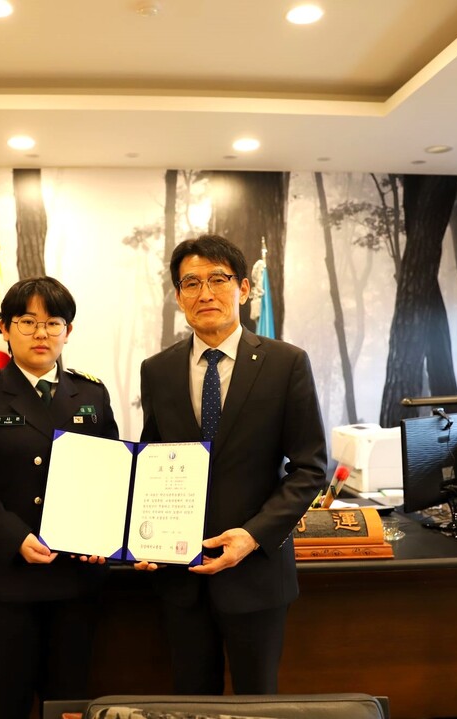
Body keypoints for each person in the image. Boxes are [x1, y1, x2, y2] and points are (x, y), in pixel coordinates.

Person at [137, 234, 327, 695]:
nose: (205, 293)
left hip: (256, 573)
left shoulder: (286, 363)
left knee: (257, 703)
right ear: (178, 296)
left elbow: (310, 468)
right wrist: (138, 535)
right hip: (179, 576)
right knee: (190, 702)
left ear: (243, 288)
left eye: (217, 280)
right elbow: (152, 460)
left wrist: (253, 535)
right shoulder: (157, 370)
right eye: (191, 283)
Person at [0, 276, 120, 719]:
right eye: (27, 321)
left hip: (74, 580)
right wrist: (15, 536)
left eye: (53, 322)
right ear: (5, 328)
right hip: (2, 577)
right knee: (7, 703)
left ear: (68, 331)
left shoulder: (91, 394)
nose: (41, 333)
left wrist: (104, 534)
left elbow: (111, 477)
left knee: (68, 703)